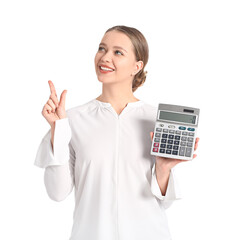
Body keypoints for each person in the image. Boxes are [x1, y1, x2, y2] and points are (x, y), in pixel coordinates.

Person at [34, 25, 199, 240]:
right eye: (102, 49)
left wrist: (163, 168)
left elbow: (163, 205)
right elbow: (57, 193)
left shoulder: (155, 119)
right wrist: (59, 131)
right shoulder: (71, 119)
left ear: (137, 66)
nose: (105, 57)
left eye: (117, 52)